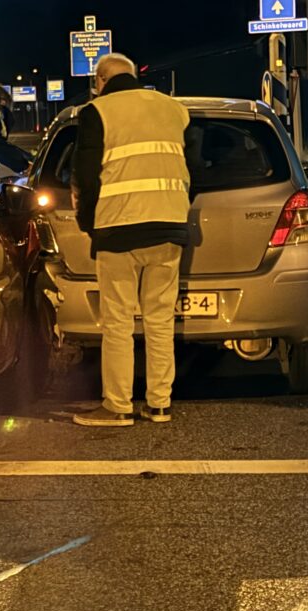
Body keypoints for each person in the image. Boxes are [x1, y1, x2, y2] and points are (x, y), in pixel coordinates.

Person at [70, 53, 192, 428]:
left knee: (118, 322)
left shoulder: (97, 112)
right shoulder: (174, 110)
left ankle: (118, 406)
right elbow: (190, 166)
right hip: (169, 226)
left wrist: (89, 224)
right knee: (159, 320)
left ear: (101, 80)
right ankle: (159, 405)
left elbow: (85, 176)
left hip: (118, 230)